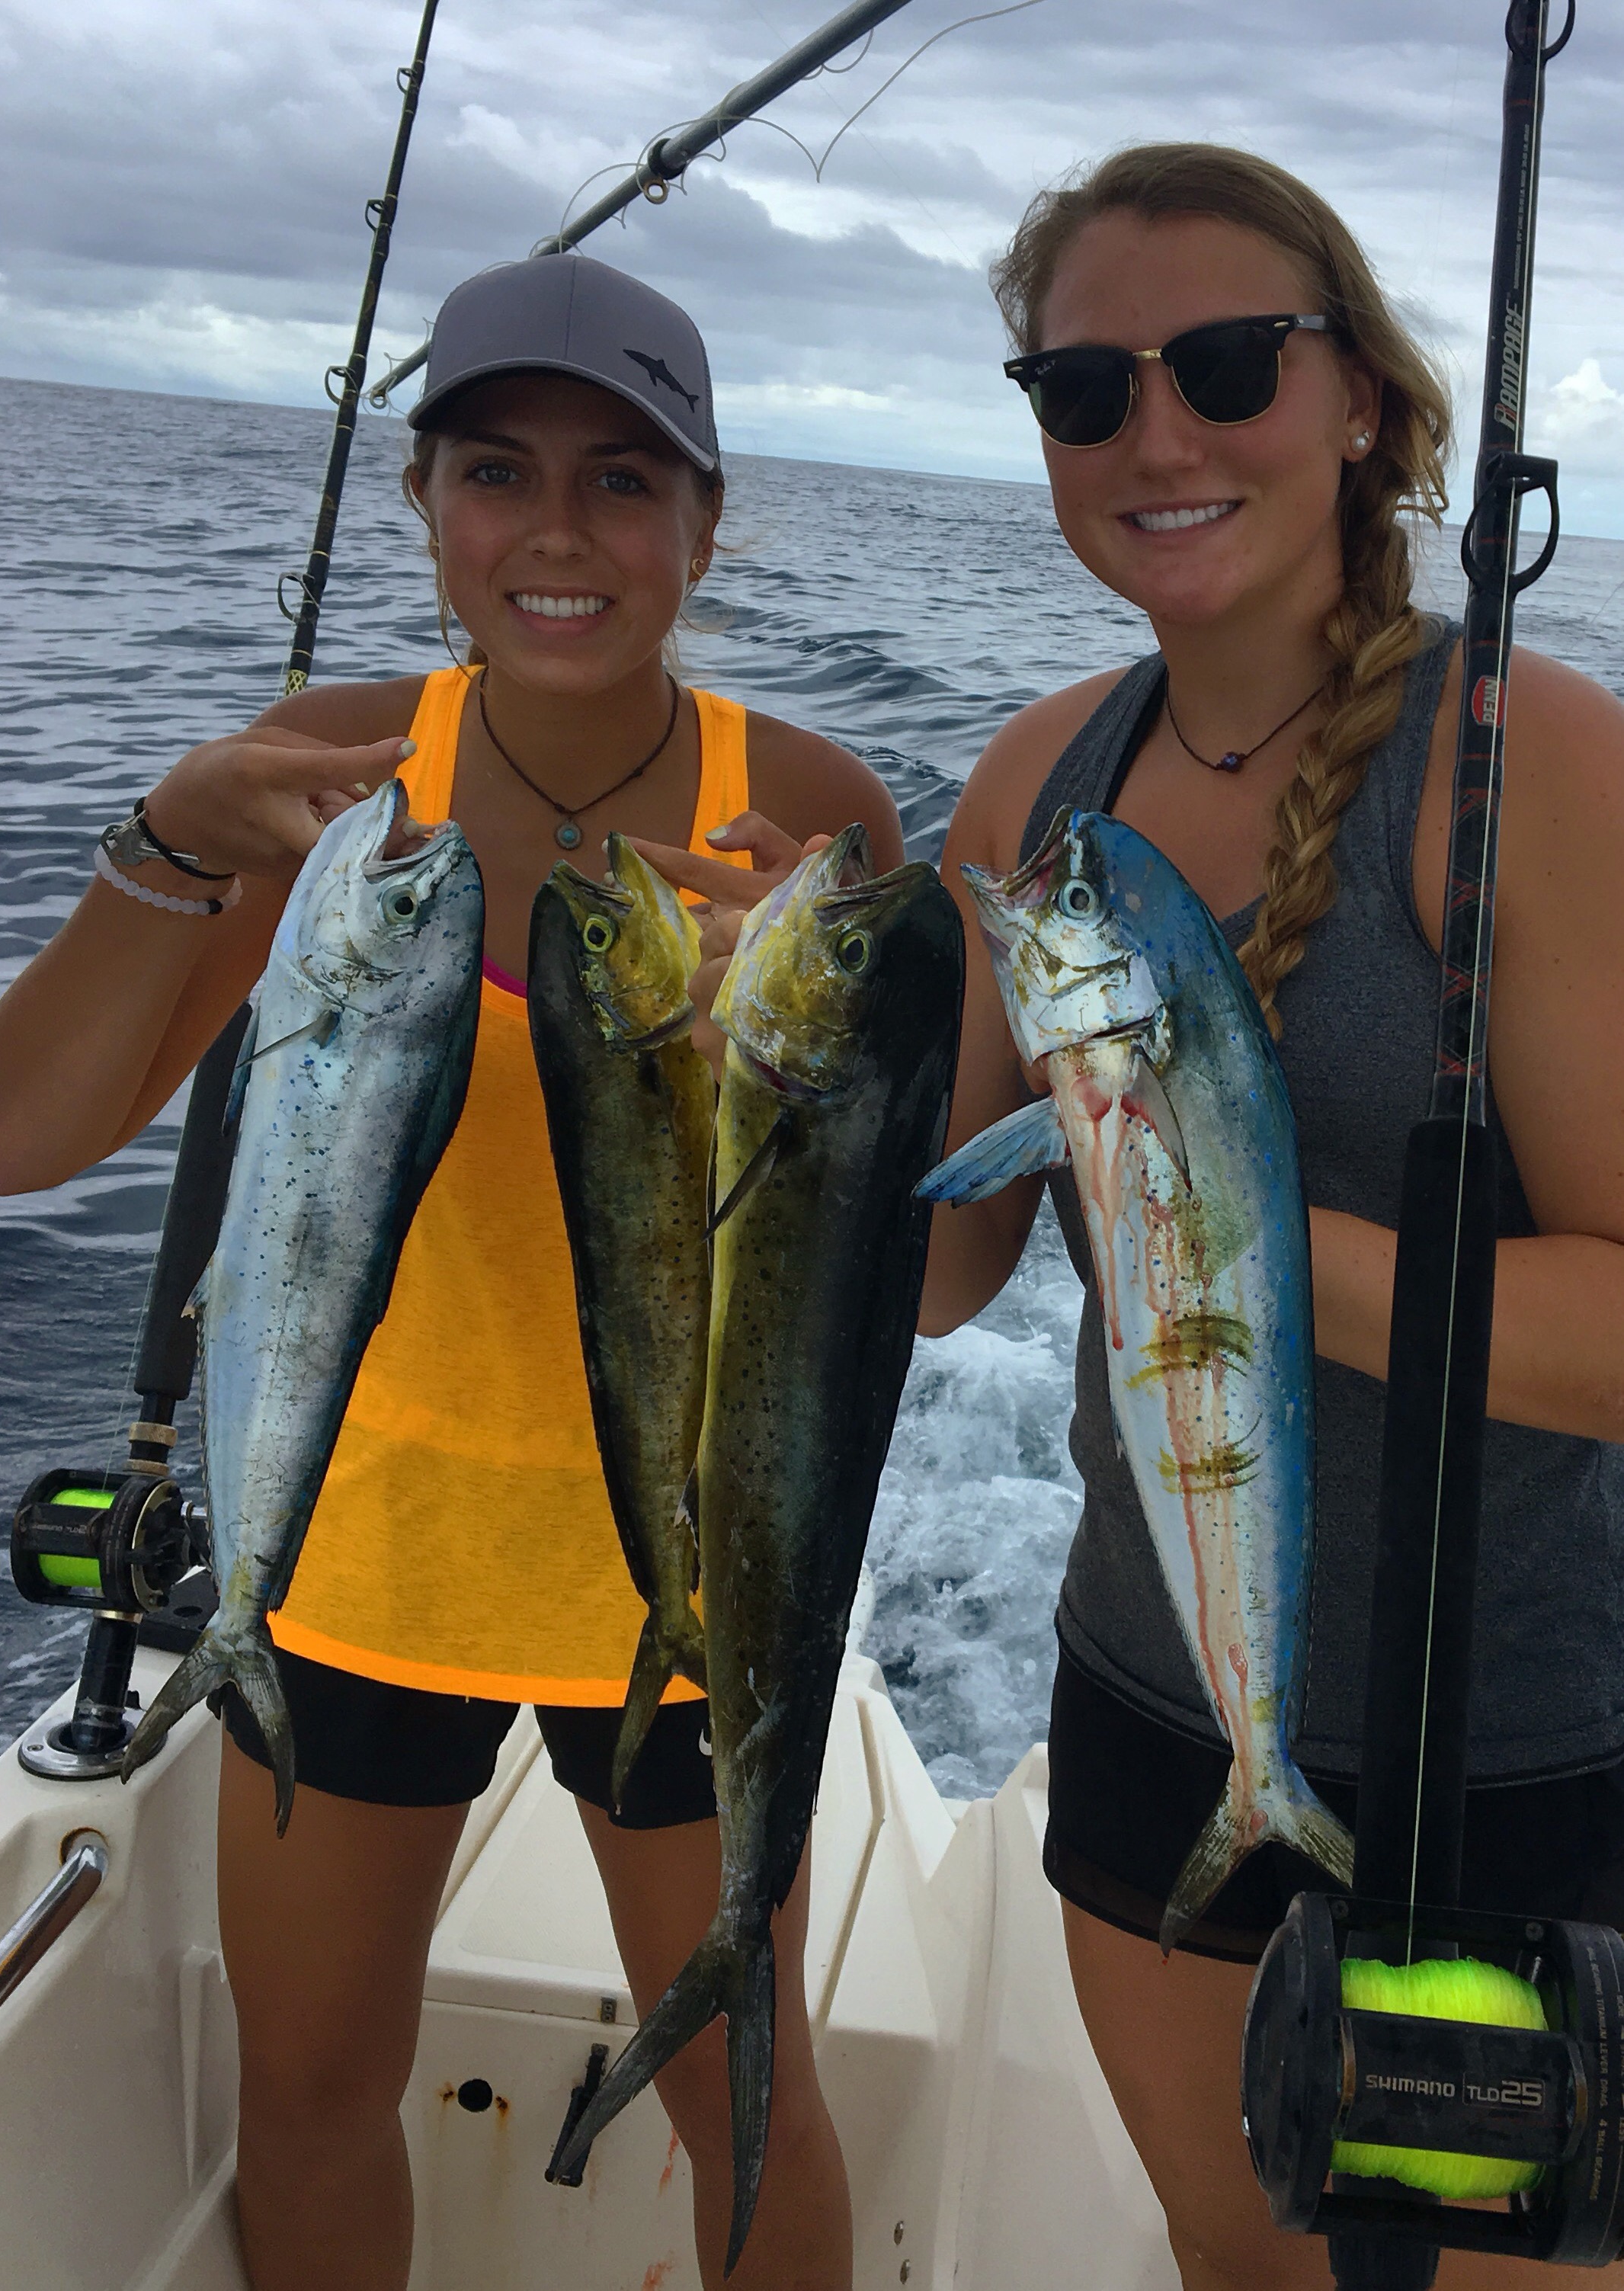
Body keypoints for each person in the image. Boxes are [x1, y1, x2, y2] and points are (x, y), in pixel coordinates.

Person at [650, 143, 1624, 2289]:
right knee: (1232, 2258)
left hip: (1517, 1755)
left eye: (1227, 365)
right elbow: (942, 1280)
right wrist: (801, 1072)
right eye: (1085, 390)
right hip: (1148, 1702)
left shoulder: (1525, 766)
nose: (1156, 435)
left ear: (1361, 400)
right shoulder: (1036, 788)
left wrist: (1208, 1221)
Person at [0, 252, 901, 2291]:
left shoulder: (806, 815)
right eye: (497, 471)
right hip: (346, 1561)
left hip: (686, 1586)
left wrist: (795, 1059)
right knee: (310, 2093)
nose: (557, 532)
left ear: (708, 521)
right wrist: (173, 836)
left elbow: (911, 1284)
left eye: (623, 481)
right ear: (420, 501)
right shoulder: (324, 779)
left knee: (741, 2101)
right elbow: (25, 1142)